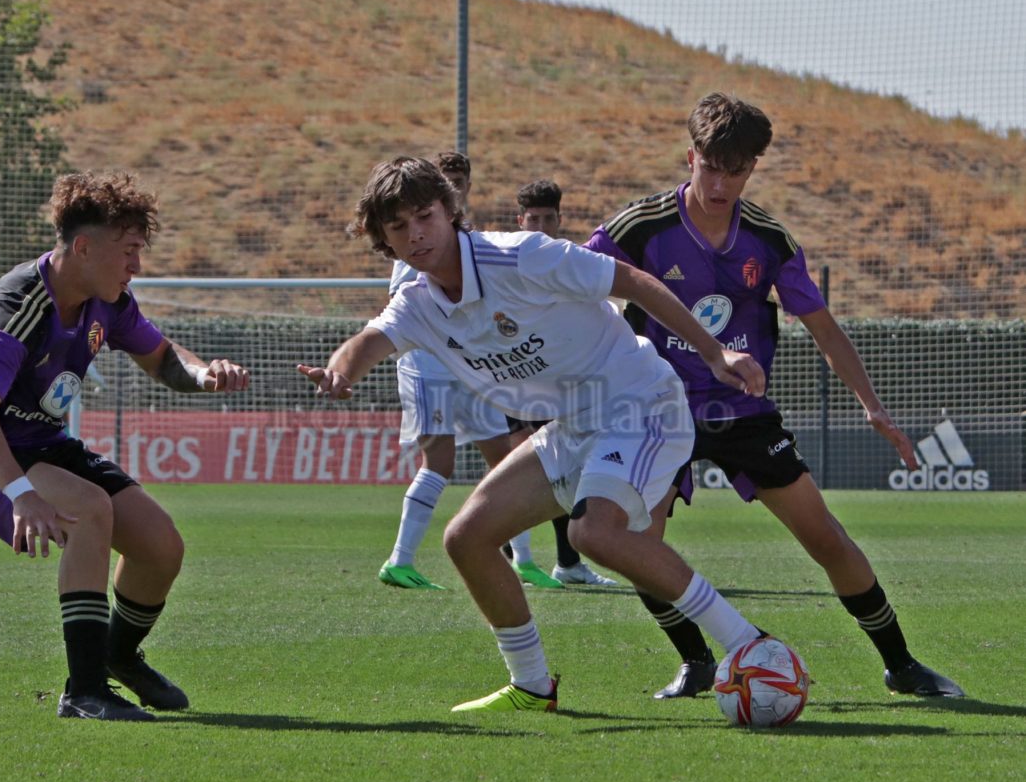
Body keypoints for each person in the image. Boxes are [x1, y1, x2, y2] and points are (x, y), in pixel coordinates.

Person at [298, 155, 779, 712]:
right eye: (398, 226)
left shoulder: (521, 255)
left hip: (636, 400)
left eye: (424, 216)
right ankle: (531, 684)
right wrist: (339, 372)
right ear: (383, 238)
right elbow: (367, 342)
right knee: (466, 537)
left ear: (451, 211)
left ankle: (749, 642)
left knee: (593, 535)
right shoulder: (417, 303)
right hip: (574, 425)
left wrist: (714, 351)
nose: (416, 234)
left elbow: (635, 282)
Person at [586, 92, 964, 699]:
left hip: (744, 413)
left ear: (752, 169)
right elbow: (575, 284)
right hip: (655, 411)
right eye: (711, 167)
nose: (720, 183)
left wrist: (873, 406)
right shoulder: (641, 226)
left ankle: (901, 664)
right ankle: (697, 661)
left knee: (825, 537)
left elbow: (824, 328)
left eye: (735, 171)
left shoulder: (769, 240)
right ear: (690, 157)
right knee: (636, 542)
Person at [0, 171, 251, 721]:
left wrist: (203, 373)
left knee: (161, 546)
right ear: (84, 247)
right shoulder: (16, 308)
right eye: (128, 252)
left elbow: (163, 358)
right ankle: (85, 691)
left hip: (44, 446)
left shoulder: (111, 303)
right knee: (89, 510)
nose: (136, 266)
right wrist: (22, 494)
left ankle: (118, 657)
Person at [379, 152, 561, 591]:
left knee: (505, 460)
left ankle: (524, 560)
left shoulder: (466, 238)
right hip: (428, 368)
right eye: (447, 180)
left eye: (460, 180)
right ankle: (399, 560)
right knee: (438, 461)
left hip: (468, 366)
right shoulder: (421, 240)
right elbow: (408, 304)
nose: (455, 186)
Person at [509, 179, 616, 587]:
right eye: (532, 219)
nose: (539, 226)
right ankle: (526, 558)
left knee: (560, 472)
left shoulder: (571, 260)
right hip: (513, 380)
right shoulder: (500, 262)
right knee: (533, 470)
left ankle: (564, 562)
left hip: (561, 381)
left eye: (547, 218)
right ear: (520, 220)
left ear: (560, 219)